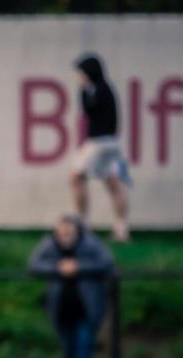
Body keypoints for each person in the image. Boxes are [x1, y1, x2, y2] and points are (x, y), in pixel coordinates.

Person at [29, 215, 113, 358]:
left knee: (84, 341)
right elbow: (34, 265)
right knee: (68, 346)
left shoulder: (90, 244)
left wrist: (79, 267)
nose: (65, 236)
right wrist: (57, 267)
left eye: (69, 232)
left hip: (87, 307)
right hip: (62, 308)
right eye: (61, 233)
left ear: (77, 232)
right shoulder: (50, 244)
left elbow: (107, 263)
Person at [71, 53, 132, 242]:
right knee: (113, 184)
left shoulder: (99, 90)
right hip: (110, 142)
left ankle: (83, 225)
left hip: (100, 142)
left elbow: (90, 112)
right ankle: (121, 229)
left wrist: (82, 91)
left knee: (76, 177)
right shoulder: (103, 89)